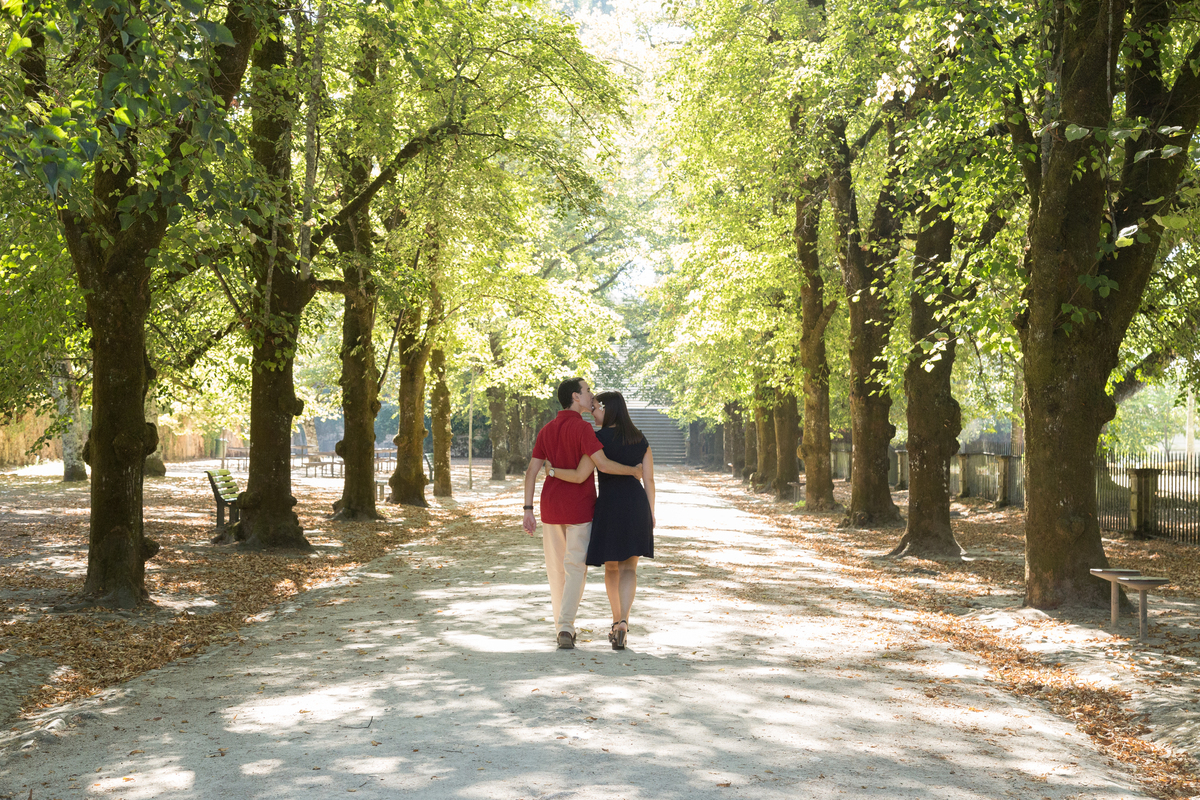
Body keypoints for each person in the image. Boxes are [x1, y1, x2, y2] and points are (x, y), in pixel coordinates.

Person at [522, 378, 643, 650]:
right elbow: (602, 464)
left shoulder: (546, 430)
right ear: (576, 397)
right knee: (575, 567)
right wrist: (634, 472)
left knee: (556, 571)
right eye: (587, 391)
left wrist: (527, 509)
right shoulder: (583, 429)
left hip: (551, 507)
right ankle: (565, 626)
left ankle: (562, 628)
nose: (591, 395)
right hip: (579, 509)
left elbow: (531, 471)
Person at [552, 390, 654, 651]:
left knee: (611, 569)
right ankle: (623, 623)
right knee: (630, 568)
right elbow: (649, 479)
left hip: (609, 507)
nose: (593, 412)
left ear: (608, 410)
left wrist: (551, 470)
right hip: (636, 505)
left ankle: (615, 621)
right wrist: (651, 513)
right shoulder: (639, 438)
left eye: (596, 407)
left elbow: (580, 473)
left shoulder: (596, 439)